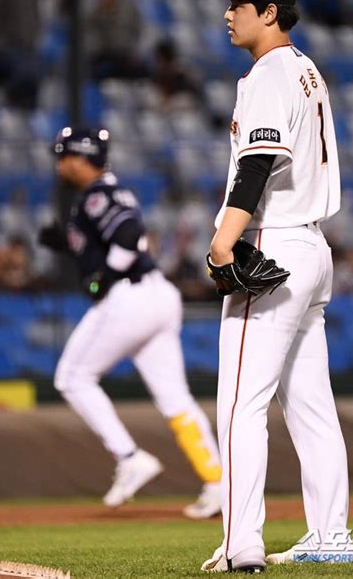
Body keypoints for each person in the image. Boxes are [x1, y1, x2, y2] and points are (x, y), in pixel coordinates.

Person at [201, 0, 353, 572]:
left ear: (270, 11)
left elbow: (259, 162)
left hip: (272, 243)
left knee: (241, 402)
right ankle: (331, 537)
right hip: (313, 248)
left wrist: (222, 244)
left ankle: (242, 543)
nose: (227, 13)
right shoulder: (308, 69)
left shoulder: (268, 71)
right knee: (311, 406)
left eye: (238, 4)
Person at [38, 127, 222, 519]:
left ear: (76, 157)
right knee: (176, 400)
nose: (59, 164)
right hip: (156, 295)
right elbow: (117, 238)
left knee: (72, 378)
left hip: (129, 298)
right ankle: (218, 481)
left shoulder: (98, 194)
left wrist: (103, 275)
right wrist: (72, 247)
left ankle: (129, 456)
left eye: (62, 156)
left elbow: (130, 234)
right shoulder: (107, 192)